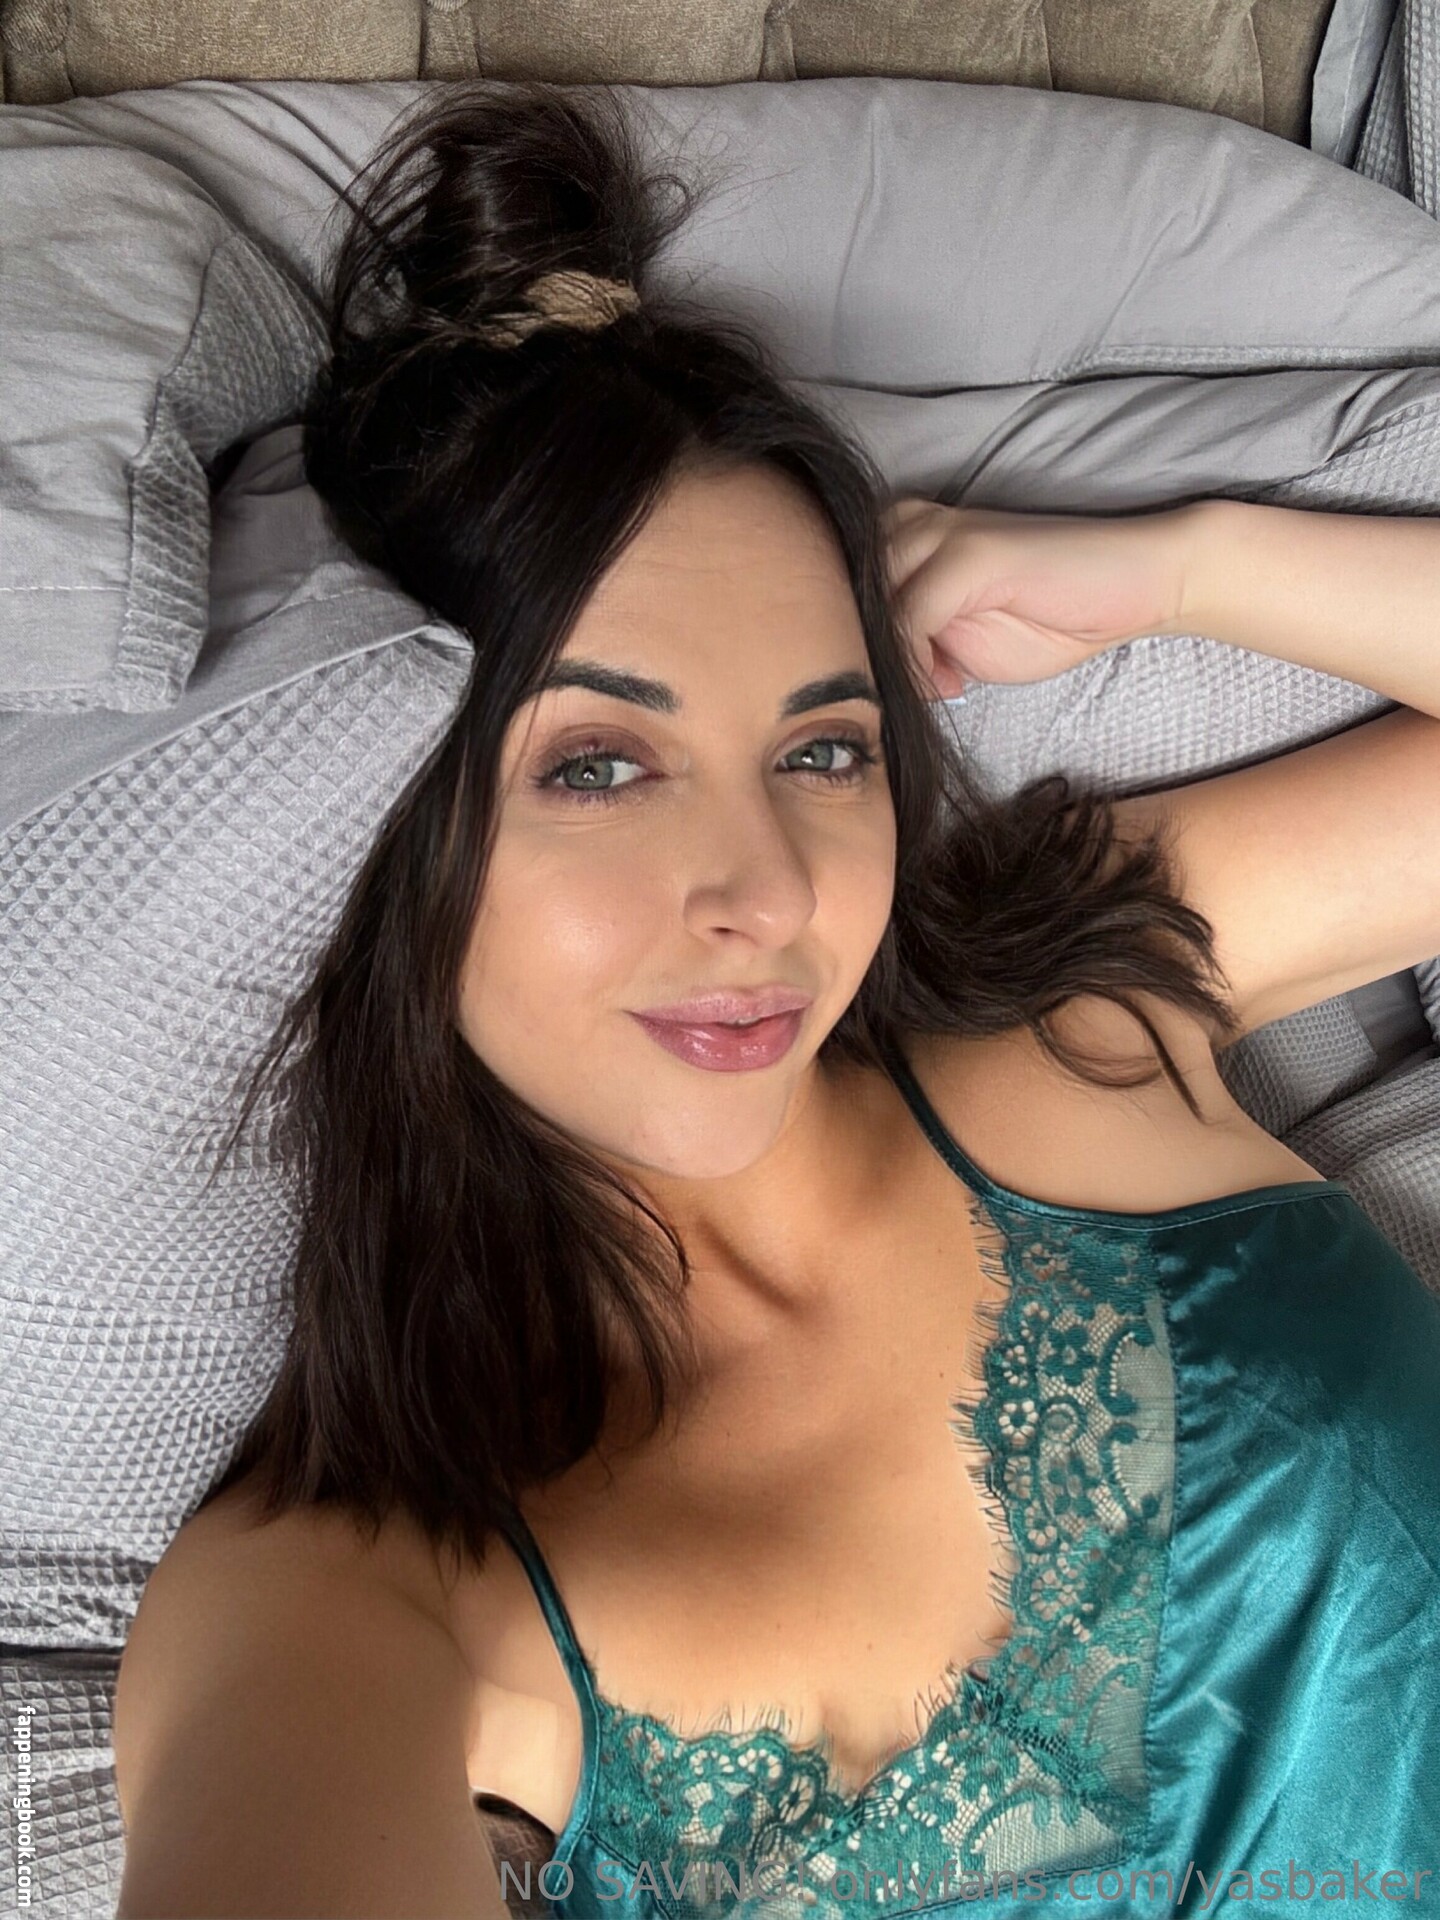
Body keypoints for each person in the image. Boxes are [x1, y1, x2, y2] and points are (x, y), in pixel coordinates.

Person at [112, 78, 1440, 1920]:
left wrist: (1185, 562)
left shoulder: (1073, 1010)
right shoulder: (365, 1585)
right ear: (392, 821)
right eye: (598, 766)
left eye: (824, 750)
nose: (766, 894)